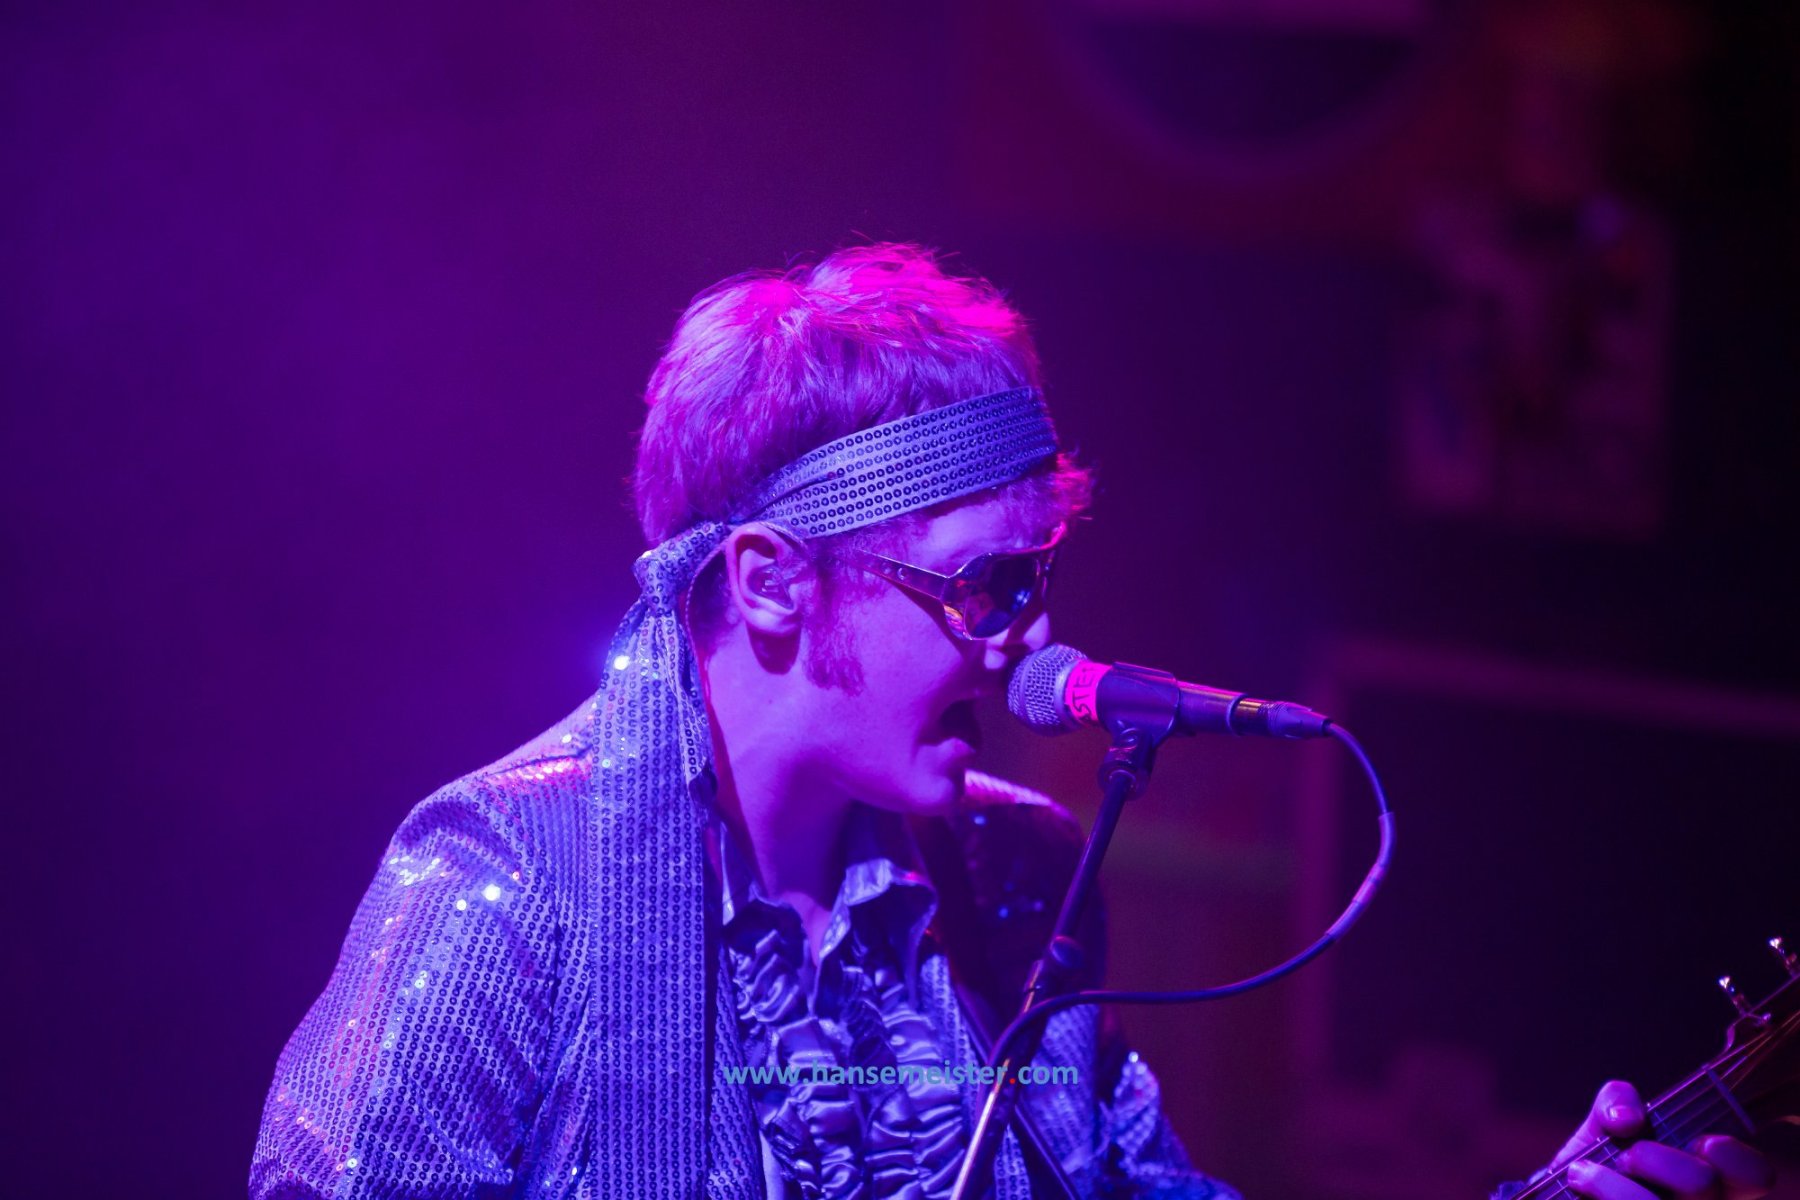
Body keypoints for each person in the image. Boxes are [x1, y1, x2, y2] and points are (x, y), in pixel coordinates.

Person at [251, 244, 1774, 1200]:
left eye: (1036, 580)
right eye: (982, 587)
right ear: (772, 583)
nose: (1028, 640)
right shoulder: (509, 884)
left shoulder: (1017, 880)